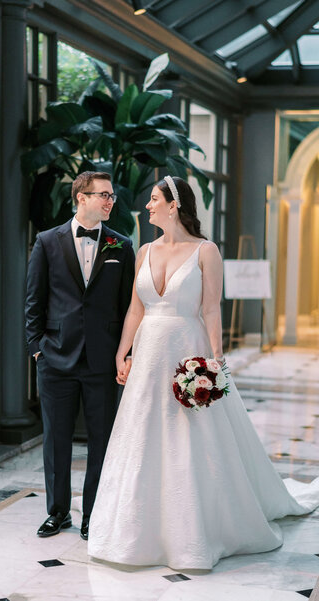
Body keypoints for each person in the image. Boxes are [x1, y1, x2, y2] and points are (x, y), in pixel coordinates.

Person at [88, 175, 319, 570]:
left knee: (191, 436)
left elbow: (211, 309)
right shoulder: (143, 251)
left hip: (186, 350)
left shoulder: (206, 251)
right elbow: (136, 309)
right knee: (141, 433)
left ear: (174, 205)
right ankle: (134, 530)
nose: (148, 206)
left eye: (154, 200)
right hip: (147, 356)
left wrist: (215, 360)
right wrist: (122, 353)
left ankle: (194, 530)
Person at [25, 171, 135, 542]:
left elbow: (129, 308)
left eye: (111, 196)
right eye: (103, 195)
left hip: (103, 363)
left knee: (101, 443)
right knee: (56, 441)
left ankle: (94, 515)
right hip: (55, 359)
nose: (109, 201)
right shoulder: (46, 242)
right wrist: (37, 349)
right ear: (81, 198)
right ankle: (58, 513)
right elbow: (33, 302)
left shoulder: (122, 245)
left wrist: (125, 355)